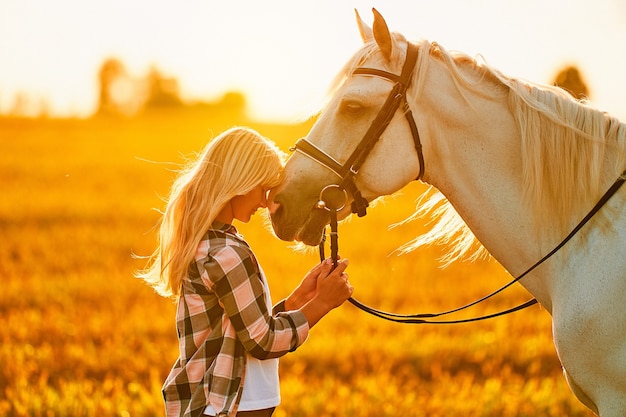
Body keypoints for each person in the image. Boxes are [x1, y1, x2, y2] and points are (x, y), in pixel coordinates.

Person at [137, 127, 354, 417]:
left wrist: (296, 301)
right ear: (239, 181)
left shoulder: (219, 243)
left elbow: (240, 328)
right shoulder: (226, 253)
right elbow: (263, 341)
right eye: (262, 190)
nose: (266, 202)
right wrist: (322, 303)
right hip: (227, 406)